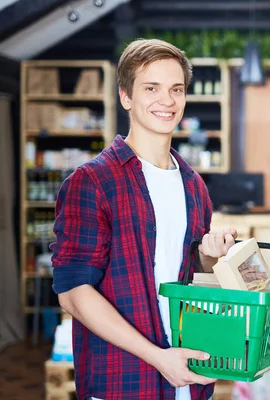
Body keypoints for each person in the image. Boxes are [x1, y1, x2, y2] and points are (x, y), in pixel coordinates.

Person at [50, 39, 237, 400]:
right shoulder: (93, 182)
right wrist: (158, 358)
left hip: (190, 378)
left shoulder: (194, 185)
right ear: (126, 97)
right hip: (126, 382)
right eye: (151, 88)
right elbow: (73, 293)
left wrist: (210, 260)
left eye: (176, 89)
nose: (166, 101)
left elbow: (186, 277)